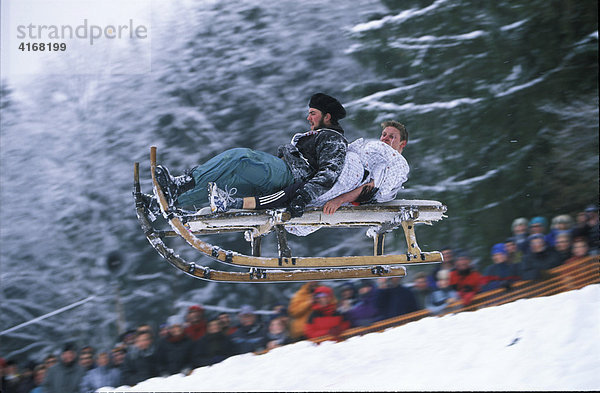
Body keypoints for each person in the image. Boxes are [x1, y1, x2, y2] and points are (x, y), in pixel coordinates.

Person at [149, 93, 348, 219]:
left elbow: (329, 173)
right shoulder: (321, 136)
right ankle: (166, 202)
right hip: (278, 183)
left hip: (289, 175)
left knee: (240, 156)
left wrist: (303, 197)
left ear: (327, 116)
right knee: (224, 183)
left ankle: (184, 183)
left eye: (313, 113)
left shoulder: (333, 139)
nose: (308, 118)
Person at [209, 120, 410, 217]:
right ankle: (229, 198)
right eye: (384, 134)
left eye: (391, 136)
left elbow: (370, 187)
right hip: (336, 174)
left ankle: (231, 202)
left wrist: (339, 200)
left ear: (402, 144)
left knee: (292, 193)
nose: (385, 139)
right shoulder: (375, 152)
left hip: (341, 183)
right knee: (291, 188)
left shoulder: (395, 164)